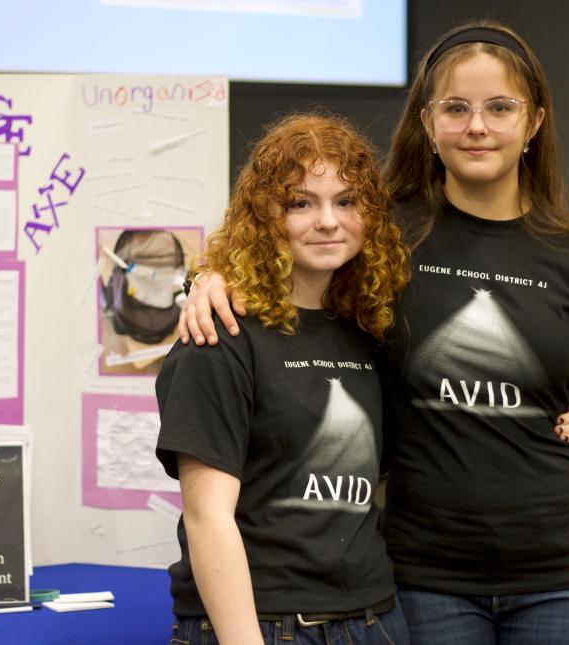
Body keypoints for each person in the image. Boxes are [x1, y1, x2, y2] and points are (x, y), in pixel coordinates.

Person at [178, 20, 569, 645]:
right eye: (456, 108)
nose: (477, 125)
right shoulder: (382, 234)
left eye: (500, 108)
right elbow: (281, 250)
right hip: (422, 576)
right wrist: (206, 277)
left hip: (559, 572)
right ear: (427, 122)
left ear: (533, 122)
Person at [156, 113, 411, 644]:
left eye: (345, 201)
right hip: (266, 625)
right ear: (263, 216)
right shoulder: (220, 335)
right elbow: (208, 519)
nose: (327, 221)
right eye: (301, 203)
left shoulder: (370, 328)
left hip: (373, 620)